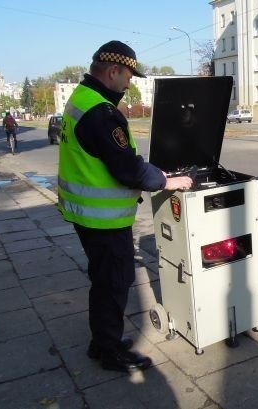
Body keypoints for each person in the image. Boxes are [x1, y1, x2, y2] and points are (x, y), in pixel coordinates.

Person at [57, 40, 193, 373]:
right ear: (113, 70)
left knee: (104, 279)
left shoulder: (81, 98)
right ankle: (108, 350)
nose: (130, 83)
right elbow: (126, 168)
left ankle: (100, 342)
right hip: (102, 221)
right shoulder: (100, 112)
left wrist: (154, 172)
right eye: (128, 75)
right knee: (113, 283)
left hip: (84, 215)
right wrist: (167, 181)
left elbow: (112, 159)